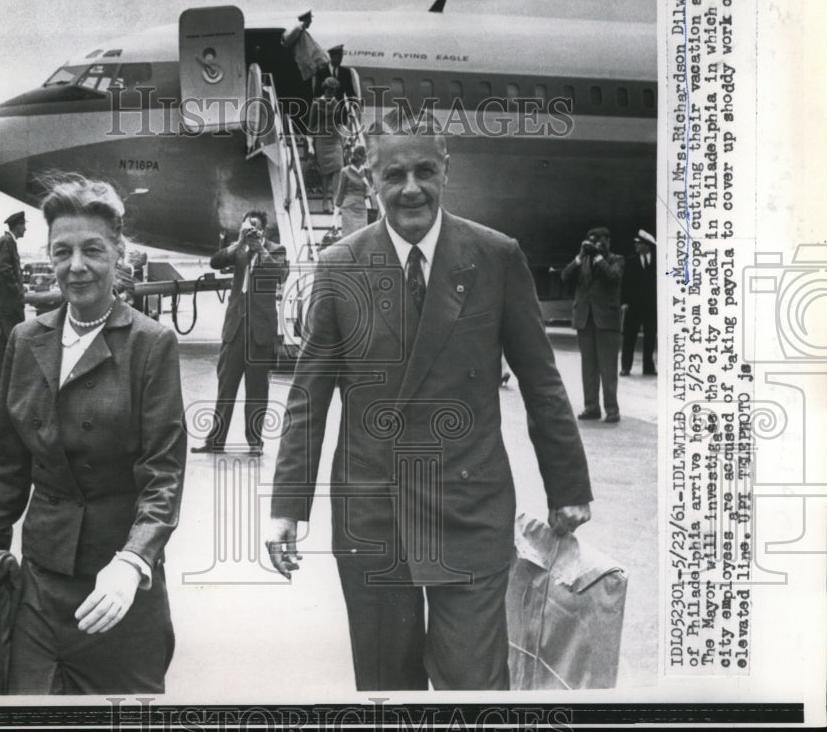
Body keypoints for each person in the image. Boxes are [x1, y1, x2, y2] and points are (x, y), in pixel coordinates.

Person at [266, 111, 592, 690]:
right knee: (387, 688)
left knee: (473, 684)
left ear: (446, 169)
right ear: (370, 178)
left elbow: (541, 381)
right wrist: (288, 506)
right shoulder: (340, 266)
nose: (411, 187)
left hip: (468, 508)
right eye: (394, 174)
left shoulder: (495, 256)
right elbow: (308, 398)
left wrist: (568, 488)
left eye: (424, 170)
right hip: (374, 514)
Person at [0, 174, 186, 694]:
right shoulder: (27, 340)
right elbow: (7, 469)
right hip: (40, 587)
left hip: (117, 587)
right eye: (61, 251)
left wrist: (135, 561)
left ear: (119, 253)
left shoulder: (150, 344)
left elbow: (164, 474)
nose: (76, 266)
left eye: (92, 249)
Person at [192, 211, 289, 456]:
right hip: (235, 328)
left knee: (257, 390)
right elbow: (215, 261)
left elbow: (281, 274)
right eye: (248, 226)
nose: (251, 231)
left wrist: (261, 250)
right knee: (225, 388)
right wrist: (239, 243)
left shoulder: (276, 249)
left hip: (260, 330)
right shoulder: (240, 249)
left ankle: (255, 443)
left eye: (255, 227)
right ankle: (215, 441)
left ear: (264, 230)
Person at [561, 227, 626, 423]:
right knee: (588, 367)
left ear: (608, 241)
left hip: (606, 321)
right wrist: (580, 257)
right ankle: (591, 407)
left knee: (608, 367)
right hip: (584, 320)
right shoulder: (583, 261)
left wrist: (599, 258)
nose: (596, 244)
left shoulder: (617, 260)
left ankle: (612, 409)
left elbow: (613, 277)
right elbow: (565, 277)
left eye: (600, 241)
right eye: (592, 241)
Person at [0, 211, 27, 391]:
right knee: (13, 337)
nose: (25, 229)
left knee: (4, 339)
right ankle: (10, 380)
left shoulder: (7, 242)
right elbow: (3, 267)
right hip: (7, 301)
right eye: (24, 225)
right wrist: (17, 289)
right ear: (18, 225)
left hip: (3, 299)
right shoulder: (7, 242)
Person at [621, 229, 657, 376]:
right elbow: (625, 284)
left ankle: (648, 367)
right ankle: (626, 367)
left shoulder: (658, 261)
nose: (636, 246)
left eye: (639, 244)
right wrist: (624, 302)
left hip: (652, 307)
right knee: (629, 337)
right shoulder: (630, 261)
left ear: (647, 246)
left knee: (650, 337)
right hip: (633, 306)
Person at [309, 78, 346, 211]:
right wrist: (310, 145)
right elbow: (310, 126)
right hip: (322, 140)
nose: (331, 92)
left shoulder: (337, 104)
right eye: (328, 90)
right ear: (324, 89)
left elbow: (338, 123)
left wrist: (344, 138)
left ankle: (335, 198)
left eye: (333, 90)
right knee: (325, 172)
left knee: (339, 167)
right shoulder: (316, 104)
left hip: (335, 139)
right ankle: (325, 201)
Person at [333, 144, 372, 237]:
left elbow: (370, 190)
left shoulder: (367, 172)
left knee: (361, 238)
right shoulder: (345, 171)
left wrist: (363, 177)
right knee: (349, 237)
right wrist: (335, 216)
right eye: (365, 156)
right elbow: (340, 193)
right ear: (360, 157)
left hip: (362, 208)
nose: (366, 159)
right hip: (349, 208)